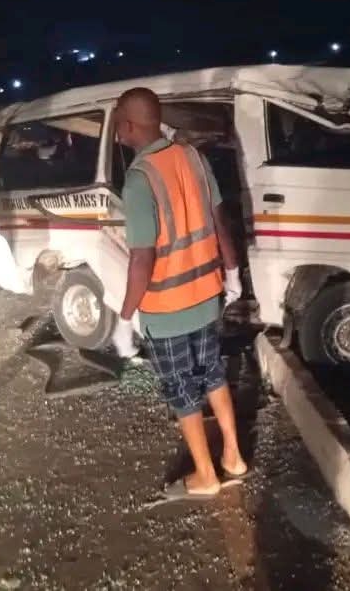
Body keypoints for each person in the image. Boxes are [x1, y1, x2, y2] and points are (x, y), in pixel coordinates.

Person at [113, 88, 248, 500]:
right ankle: (233, 457)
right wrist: (233, 271)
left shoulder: (139, 180)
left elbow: (142, 259)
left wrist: (124, 318)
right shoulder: (193, 156)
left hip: (167, 307)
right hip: (207, 295)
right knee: (211, 372)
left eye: (119, 119)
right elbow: (220, 219)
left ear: (129, 125)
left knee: (181, 388)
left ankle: (206, 476)